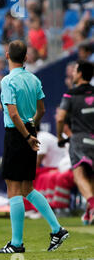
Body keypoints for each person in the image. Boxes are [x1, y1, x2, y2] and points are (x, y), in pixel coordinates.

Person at [0, 40, 69, 254]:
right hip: (30, 130)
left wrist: (26, 135)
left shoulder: (8, 81)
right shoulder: (34, 79)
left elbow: (13, 113)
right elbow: (42, 110)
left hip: (18, 135)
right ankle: (57, 229)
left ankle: (16, 243)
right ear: (26, 57)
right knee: (27, 187)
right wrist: (32, 128)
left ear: (7, 54)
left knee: (13, 188)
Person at [56, 60, 94, 225]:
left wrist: (59, 137)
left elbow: (60, 118)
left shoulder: (70, 95)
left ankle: (92, 205)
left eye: (75, 70)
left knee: (79, 175)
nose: (72, 73)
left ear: (79, 74)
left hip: (78, 138)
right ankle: (89, 212)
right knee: (90, 176)